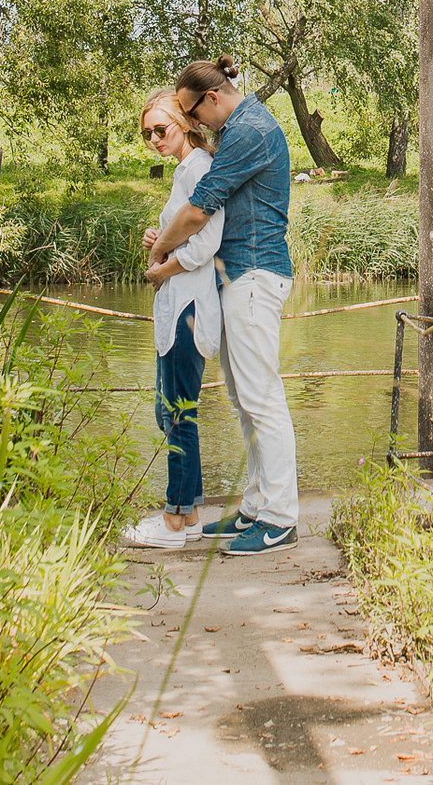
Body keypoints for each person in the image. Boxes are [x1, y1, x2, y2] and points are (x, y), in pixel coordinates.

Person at [147, 54, 299, 554]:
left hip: (254, 274)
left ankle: (279, 519)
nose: (193, 125)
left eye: (192, 114)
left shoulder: (249, 129)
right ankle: (255, 507)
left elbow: (197, 210)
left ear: (212, 98)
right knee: (242, 400)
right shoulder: (241, 127)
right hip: (238, 277)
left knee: (262, 399)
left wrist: (158, 250)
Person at [123, 92, 225, 551]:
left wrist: (160, 266)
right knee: (171, 413)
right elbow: (180, 231)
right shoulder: (184, 172)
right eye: (147, 134)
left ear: (184, 121)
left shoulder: (201, 168)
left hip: (189, 307)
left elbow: (206, 244)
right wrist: (158, 237)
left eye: (160, 130)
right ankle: (193, 515)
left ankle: (172, 523)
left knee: (179, 414)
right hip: (175, 307)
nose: (153, 140)